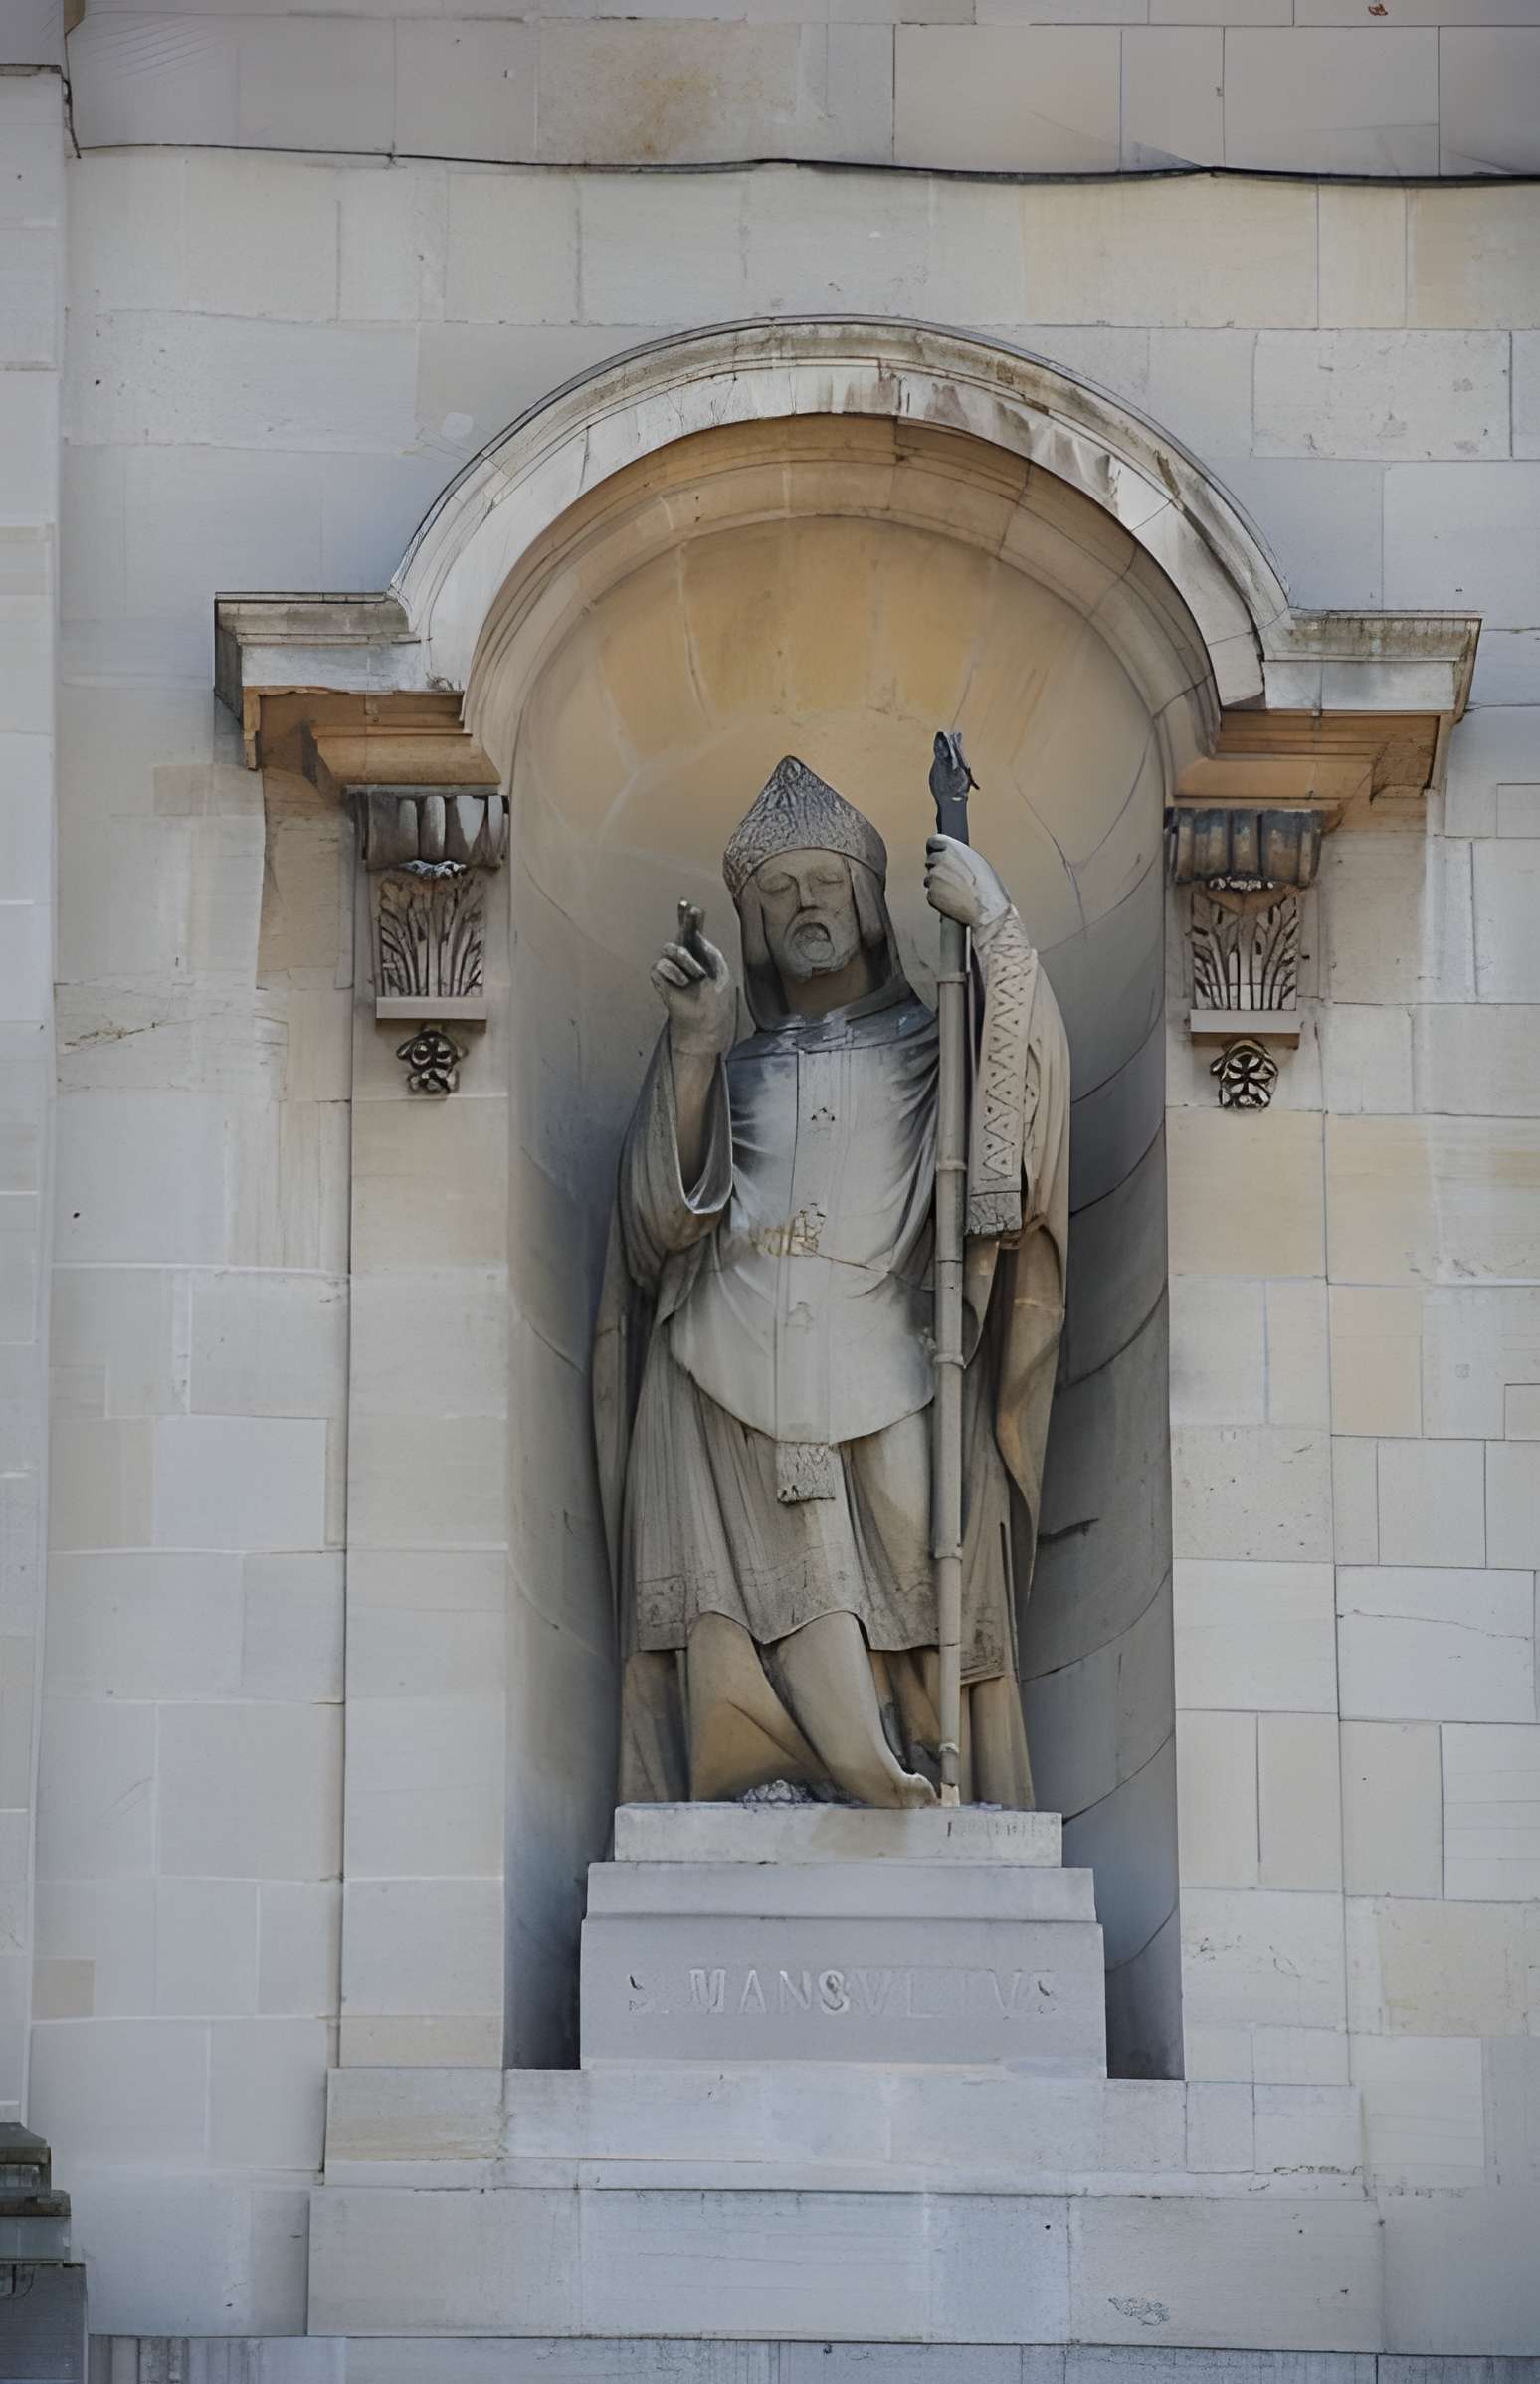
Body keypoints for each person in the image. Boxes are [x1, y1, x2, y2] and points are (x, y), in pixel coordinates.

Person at [593, 754, 1069, 1809]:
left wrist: (992, 927)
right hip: (721, 1356)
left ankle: (921, 1759)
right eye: (776, 891)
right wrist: (698, 1044)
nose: (803, 904)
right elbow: (653, 1224)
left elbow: (1020, 1133)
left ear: (866, 899)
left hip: (889, 1349)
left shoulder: (934, 1041)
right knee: (740, 1581)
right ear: (750, 921)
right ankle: (764, 1764)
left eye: (823, 882)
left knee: (915, 1543)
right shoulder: (724, 1057)